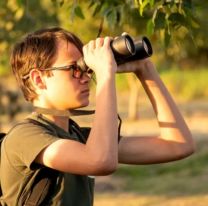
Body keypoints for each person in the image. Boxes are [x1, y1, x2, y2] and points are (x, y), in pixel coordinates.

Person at [0, 27, 194, 206]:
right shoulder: (24, 137)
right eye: (74, 69)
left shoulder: (80, 139)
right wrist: (105, 73)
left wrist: (145, 70)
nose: (86, 77)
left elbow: (178, 145)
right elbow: (101, 161)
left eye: (87, 68)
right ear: (38, 79)